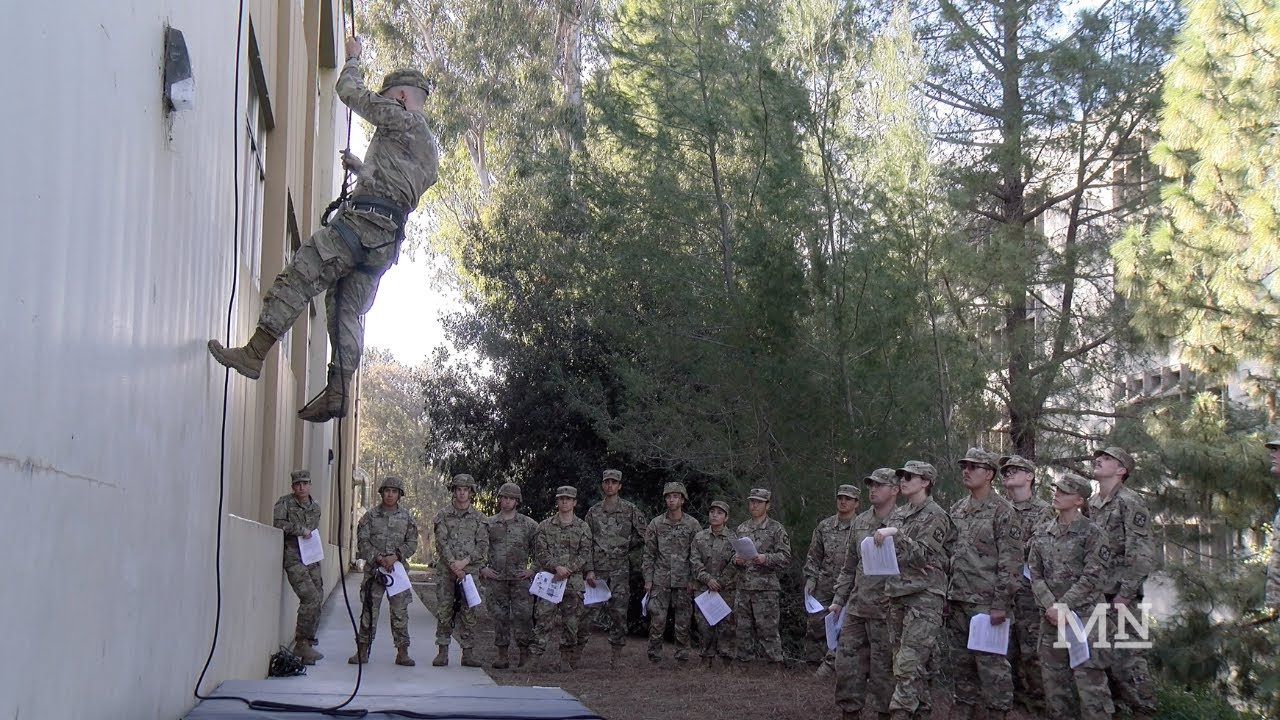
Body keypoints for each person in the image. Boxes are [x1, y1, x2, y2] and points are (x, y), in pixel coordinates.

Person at [208, 35, 439, 423]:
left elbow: (349, 90)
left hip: (361, 225)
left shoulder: (402, 116)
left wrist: (353, 59)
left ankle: (254, 353)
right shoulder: (428, 147)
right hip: (385, 242)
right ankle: (337, 392)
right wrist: (363, 170)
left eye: (389, 98)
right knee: (342, 309)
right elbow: (399, 188)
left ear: (399, 96)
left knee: (304, 272)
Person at [1027, 473, 1114, 720]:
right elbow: (1034, 573)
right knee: (1054, 687)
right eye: (1057, 490)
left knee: (1091, 687)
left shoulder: (1092, 533)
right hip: (1052, 619)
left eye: (1064, 492)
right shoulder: (1043, 532)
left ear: (1079, 500)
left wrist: (1063, 607)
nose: (1056, 495)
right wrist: (1051, 606)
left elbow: (1092, 577)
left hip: (1086, 619)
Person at [945, 448, 1021, 720]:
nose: (966, 471)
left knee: (992, 666)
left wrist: (1000, 603)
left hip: (987, 604)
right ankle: (965, 709)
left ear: (988, 474)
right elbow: (948, 554)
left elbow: (1011, 563)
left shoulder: (1003, 511)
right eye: (964, 466)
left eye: (973, 467)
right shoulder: (957, 509)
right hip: (957, 600)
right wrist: (945, 595)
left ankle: (998, 713)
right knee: (961, 663)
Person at [876, 461, 953, 720]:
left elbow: (921, 556)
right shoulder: (898, 514)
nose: (903, 480)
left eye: (910, 476)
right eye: (901, 476)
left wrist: (896, 534)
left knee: (909, 663)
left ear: (926, 482)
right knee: (904, 661)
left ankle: (900, 714)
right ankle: (921, 712)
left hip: (925, 597)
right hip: (898, 594)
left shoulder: (937, 515)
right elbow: (893, 556)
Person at [1090, 446, 1156, 719]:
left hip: (1121, 597)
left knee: (1129, 662)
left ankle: (1145, 711)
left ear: (1121, 470)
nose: (1098, 460)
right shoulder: (1092, 503)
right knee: (1099, 664)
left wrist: (1126, 594)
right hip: (1096, 595)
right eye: (1099, 457)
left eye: (1107, 459)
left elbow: (1141, 554)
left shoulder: (1131, 502)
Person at [830, 468, 900, 720]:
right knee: (847, 663)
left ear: (895, 490)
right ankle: (850, 712)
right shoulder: (860, 522)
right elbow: (849, 566)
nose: (872, 489)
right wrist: (839, 600)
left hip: (887, 610)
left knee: (884, 670)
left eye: (879, 485)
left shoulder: (902, 521)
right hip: (857, 607)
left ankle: (885, 714)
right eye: (870, 484)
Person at [999, 454, 1051, 714]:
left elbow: (1035, 547)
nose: (1007, 473)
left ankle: (1040, 704)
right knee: (1005, 649)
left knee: (1032, 651)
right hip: (1002, 588)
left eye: (1014, 470)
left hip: (1030, 591)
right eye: (1005, 471)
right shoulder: (1000, 509)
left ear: (1030, 475)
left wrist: (1002, 550)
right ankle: (1015, 701)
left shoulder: (1045, 510)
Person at [349, 475, 420, 666]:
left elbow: (412, 543)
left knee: (400, 612)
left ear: (399, 495)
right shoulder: (370, 517)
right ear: (381, 493)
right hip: (375, 572)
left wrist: (395, 556)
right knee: (369, 611)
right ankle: (362, 650)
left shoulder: (406, 518)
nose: (390, 495)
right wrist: (379, 558)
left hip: (397, 572)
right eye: (387, 491)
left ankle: (402, 652)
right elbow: (362, 541)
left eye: (394, 491)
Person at [582, 468, 647, 667]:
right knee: (588, 611)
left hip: (620, 570)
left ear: (620, 486)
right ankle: (575, 651)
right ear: (603, 485)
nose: (610, 485)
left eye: (614, 482)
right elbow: (586, 542)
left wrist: (627, 546)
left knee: (619, 612)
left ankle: (616, 655)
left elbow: (645, 534)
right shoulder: (593, 512)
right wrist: (589, 569)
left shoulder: (630, 509)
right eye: (607, 482)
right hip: (598, 571)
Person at [528, 485, 594, 671]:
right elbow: (540, 552)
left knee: (571, 624)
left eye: (568, 499)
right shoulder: (545, 526)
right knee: (543, 620)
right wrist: (556, 567)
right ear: (557, 501)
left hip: (573, 584)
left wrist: (568, 570)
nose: (564, 501)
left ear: (574, 502)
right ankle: (533, 660)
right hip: (551, 581)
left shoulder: (583, 527)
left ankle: (565, 660)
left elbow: (585, 554)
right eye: (561, 498)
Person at [431, 473, 489, 667]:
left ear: (471, 492)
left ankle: (468, 653)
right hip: (447, 572)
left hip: (469, 573)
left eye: (465, 490)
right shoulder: (443, 515)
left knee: (469, 611)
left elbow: (482, 546)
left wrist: (464, 563)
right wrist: (453, 565)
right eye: (458, 489)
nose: (462, 493)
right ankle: (442, 651)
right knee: (444, 610)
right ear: (454, 492)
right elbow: (441, 543)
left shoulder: (480, 519)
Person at [480, 482, 538, 669]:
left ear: (517, 501)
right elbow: (478, 548)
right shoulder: (488, 524)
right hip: (496, 579)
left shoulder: (529, 525)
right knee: (499, 617)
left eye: (511, 498)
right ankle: (502, 655)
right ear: (499, 500)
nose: (507, 501)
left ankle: (524, 654)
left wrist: (533, 569)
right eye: (504, 497)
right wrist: (482, 567)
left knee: (523, 616)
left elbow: (542, 549)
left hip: (520, 579)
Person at [642, 481, 701, 664]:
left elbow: (697, 555)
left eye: (675, 496)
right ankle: (654, 657)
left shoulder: (692, 524)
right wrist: (648, 580)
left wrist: (694, 580)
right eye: (668, 496)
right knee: (657, 620)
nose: (671, 500)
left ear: (682, 499)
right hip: (660, 580)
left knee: (683, 622)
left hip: (684, 581)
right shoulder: (656, 524)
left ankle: (682, 657)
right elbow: (649, 554)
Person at [804, 484, 860, 676]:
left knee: (845, 629)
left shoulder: (861, 527)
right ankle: (812, 665)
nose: (843, 501)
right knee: (816, 625)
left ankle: (837, 669)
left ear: (856, 503)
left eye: (848, 499)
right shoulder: (825, 526)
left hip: (850, 588)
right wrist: (811, 579)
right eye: (840, 498)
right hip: (825, 584)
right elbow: (814, 556)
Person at [732, 488, 792, 666]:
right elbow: (732, 555)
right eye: (752, 501)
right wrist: (736, 560)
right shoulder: (742, 528)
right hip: (743, 587)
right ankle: (743, 664)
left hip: (765, 588)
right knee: (742, 628)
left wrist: (766, 558)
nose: (754, 505)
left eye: (758, 502)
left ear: (768, 505)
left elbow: (786, 557)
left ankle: (774, 665)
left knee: (768, 630)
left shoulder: (776, 529)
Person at [272, 469, 324, 665]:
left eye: (305, 483)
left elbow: (315, 529)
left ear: (310, 484)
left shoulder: (315, 506)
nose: (301, 487)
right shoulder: (284, 503)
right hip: (293, 556)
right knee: (309, 597)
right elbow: (278, 523)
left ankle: (308, 643)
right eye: (297, 484)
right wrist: (299, 530)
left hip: (311, 556)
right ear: (293, 487)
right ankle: (301, 642)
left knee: (318, 595)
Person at [690, 500, 738, 668]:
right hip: (704, 588)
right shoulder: (699, 537)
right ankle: (705, 659)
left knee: (727, 626)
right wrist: (707, 579)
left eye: (719, 512)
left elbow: (735, 562)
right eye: (712, 511)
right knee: (704, 625)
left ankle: (727, 661)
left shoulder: (733, 538)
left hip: (726, 589)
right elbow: (694, 561)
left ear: (726, 517)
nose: (714, 515)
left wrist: (721, 581)